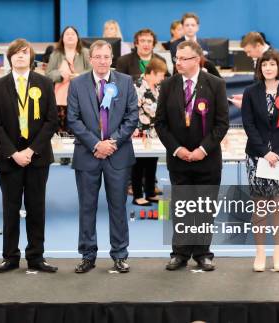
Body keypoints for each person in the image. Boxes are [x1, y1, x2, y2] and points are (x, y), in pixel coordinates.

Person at [156, 41, 229, 271]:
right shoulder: (168, 85)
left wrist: (202, 150)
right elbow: (161, 123)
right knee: (182, 207)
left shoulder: (215, 84)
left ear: (197, 60)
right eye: (177, 58)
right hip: (178, 160)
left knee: (204, 208)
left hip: (207, 159)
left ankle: (203, 253)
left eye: (184, 58)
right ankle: (179, 253)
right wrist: (178, 150)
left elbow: (221, 123)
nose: (178, 62)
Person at [67, 40, 138, 273]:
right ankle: (88, 255)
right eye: (97, 56)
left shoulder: (126, 83)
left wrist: (112, 142)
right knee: (87, 207)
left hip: (117, 155)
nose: (102, 61)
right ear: (90, 58)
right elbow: (73, 119)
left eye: (106, 57)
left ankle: (120, 255)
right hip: (88, 155)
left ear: (112, 59)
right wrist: (96, 144)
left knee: (118, 206)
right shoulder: (77, 84)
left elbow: (132, 117)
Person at [0, 39, 59, 274]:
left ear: (31, 58)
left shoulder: (45, 83)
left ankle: (36, 256)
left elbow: (52, 121)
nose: (20, 56)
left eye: (24, 53)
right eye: (16, 53)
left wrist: (30, 151)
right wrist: (13, 153)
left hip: (37, 158)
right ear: (9, 58)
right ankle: (10, 257)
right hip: (10, 159)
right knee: (10, 209)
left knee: (36, 208)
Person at [241, 49, 279, 272]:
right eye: (264, 63)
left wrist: (277, 152)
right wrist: (264, 152)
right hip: (257, 157)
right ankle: (260, 253)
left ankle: (277, 251)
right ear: (260, 67)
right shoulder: (250, 92)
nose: (268, 67)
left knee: (278, 204)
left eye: (272, 64)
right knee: (259, 204)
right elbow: (248, 124)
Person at [131, 57, 167, 206]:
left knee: (152, 162)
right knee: (138, 165)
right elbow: (132, 109)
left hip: (154, 132)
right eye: (161, 75)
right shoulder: (137, 86)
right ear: (152, 73)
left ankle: (150, 192)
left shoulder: (158, 88)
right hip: (139, 132)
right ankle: (138, 195)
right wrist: (132, 128)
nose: (163, 78)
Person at [46, 26, 91, 135]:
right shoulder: (56, 54)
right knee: (62, 129)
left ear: (77, 38)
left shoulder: (85, 52)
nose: (70, 36)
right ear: (62, 38)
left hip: (81, 94)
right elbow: (48, 74)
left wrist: (79, 76)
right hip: (61, 96)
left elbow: (92, 70)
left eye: (73, 34)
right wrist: (60, 75)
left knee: (79, 127)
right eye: (67, 34)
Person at [230, 32, 279, 108]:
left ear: (258, 45)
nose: (248, 55)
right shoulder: (261, 57)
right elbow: (260, 83)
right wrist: (248, 96)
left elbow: (277, 85)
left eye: (249, 51)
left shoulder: (276, 57)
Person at [169, 12, 221, 78]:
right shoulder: (175, 44)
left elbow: (208, 63)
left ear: (197, 27)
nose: (190, 28)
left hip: (203, 79)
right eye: (187, 25)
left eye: (193, 25)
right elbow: (177, 64)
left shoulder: (204, 43)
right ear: (182, 27)